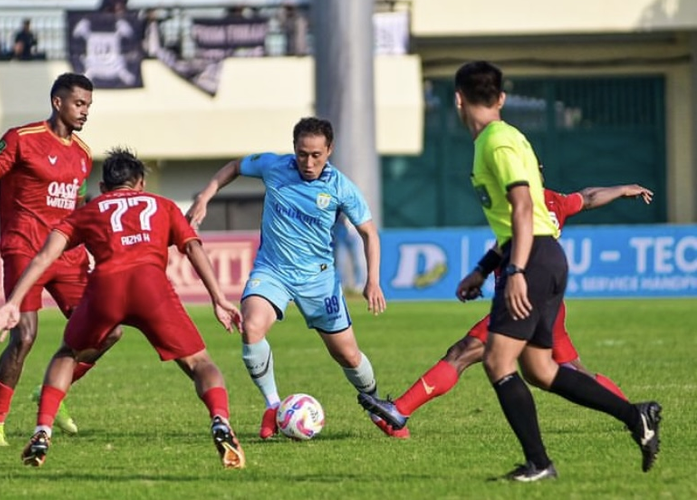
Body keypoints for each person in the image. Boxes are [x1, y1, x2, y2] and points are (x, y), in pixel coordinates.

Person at [375, 61, 660, 481]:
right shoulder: (502, 139)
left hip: (534, 259)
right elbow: (516, 220)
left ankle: (539, 463)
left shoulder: (496, 142)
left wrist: (518, 270)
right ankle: (636, 416)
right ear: (502, 98)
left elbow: (524, 208)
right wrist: (483, 269)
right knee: (541, 370)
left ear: (457, 99)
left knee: (495, 360)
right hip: (540, 257)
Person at [0, 148, 246, 469]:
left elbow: (43, 256)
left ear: (102, 187)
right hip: (152, 288)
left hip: (106, 288)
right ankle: (220, 420)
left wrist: (13, 302)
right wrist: (218, 297)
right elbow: (192, 246)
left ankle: (42, 429)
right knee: (199, 362)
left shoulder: (90, 209)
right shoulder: (162, 205)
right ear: (140, 183)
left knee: (67, 353)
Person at [359, 180, 654, 436]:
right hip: (547, 302)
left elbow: (515, 241)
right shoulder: (553, 201)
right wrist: (623, 189)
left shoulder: (520, 207)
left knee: (462, 353)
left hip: (522, 298)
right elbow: (587, 197)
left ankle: (399, 411)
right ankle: (635, 414)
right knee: (570, 370)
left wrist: (484, 272)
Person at [186, 116, 407, 439]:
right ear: (294, 149)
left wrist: (373, 280)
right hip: (272, 271)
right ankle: (273, 405)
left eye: (316, 154)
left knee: (347, 354)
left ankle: (376, 405)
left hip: (319, 281)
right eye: (302, 153)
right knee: (251, 327)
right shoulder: (274, 166)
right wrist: (206, 196)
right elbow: (234, 166)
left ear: (329, 150)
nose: (308, 161)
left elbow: (369, 233)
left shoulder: (340, 187)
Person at [0, 73, 122, 446]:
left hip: (68, 256)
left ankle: (51, 393)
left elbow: (77, 207)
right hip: (24, 249)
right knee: (24, 336)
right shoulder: (21, 139)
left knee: (109, 330)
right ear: (57, 102)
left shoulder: (84, 154)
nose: (85, 112)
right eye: (79, 104)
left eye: (89, 105)